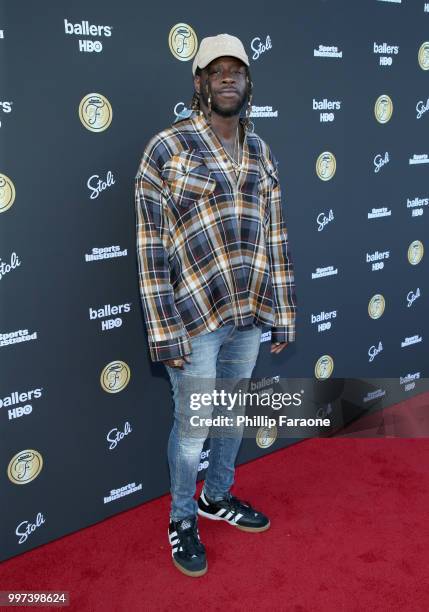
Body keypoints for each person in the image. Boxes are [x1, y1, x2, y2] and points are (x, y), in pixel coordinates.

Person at [135, 33, 297, 577]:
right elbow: (150, 246)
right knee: (193, 429)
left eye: (238, 70)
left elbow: (275, 235)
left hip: (248, 313)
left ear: (248, 83)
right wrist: (163, 329)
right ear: (199, 82)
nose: (228, 78)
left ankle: (217, 496)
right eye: (217, 70)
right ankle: (183, 517)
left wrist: (283, 311)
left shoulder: (261, 150)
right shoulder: (167, 148)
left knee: (230, 415)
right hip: (193, 318)